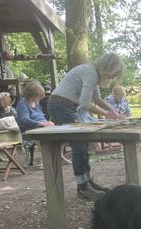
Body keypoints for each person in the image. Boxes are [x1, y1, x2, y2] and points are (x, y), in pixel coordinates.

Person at [47, 53, 126, 201]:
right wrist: (106, 114)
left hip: (65, 105)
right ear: (108, 67)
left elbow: (97, 99)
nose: (112, 77)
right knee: (79, 144)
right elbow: (84, 104)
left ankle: (88, 181)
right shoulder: (91, 73)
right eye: (113, 74)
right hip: (61, 106)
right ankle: (82, 187)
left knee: (83, 143)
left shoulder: (93, 72)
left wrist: (113, 112)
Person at [16, 81, 54, 166]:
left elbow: (41, 117)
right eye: (38, 95)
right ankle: (43, 160)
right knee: (48, 137)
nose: (40, 97)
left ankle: (55, 157)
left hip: (42, 127)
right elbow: (25, 120)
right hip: (30, 129)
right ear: (32, 95)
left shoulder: (36, 104)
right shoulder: (23, 104)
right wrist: (43, 124)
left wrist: (47, 122)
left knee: (59, 135)